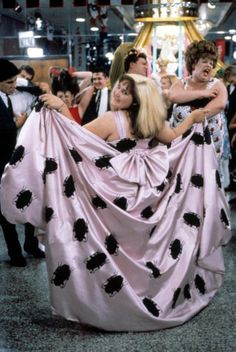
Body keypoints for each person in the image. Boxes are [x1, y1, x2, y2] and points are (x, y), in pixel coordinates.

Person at [0, 74, 231, 331]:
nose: (118, 93)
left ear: (137, 98)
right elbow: (174, 136)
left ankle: (119, 300)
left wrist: (62, 108)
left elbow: (75, 136)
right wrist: (192, 120)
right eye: (118, 89)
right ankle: (148, 290)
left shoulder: (113, 119)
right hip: (148, 192)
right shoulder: (151, 120)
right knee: (143, 244)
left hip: (116, 193)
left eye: (124, 91)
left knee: (118, 245)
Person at [0, 59, 44, 267]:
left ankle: (30, 244)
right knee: (5, 210)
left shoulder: (12, 93)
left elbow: (34, 89)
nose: (14, 86)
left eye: (15, 81)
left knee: (30, 200)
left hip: (20, 161)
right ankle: (15, 251)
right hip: (2, 164)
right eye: (9, 83)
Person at [169, 40, 227, 165]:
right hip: (181, 148)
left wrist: (191, 115)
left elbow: (220, 104)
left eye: (211, 63)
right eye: (205, 61)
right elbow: (173, 96)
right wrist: (203, 93)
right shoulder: (181, 83)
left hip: (209, 150)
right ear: (194, 64)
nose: (209, 66)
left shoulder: (217, 84)